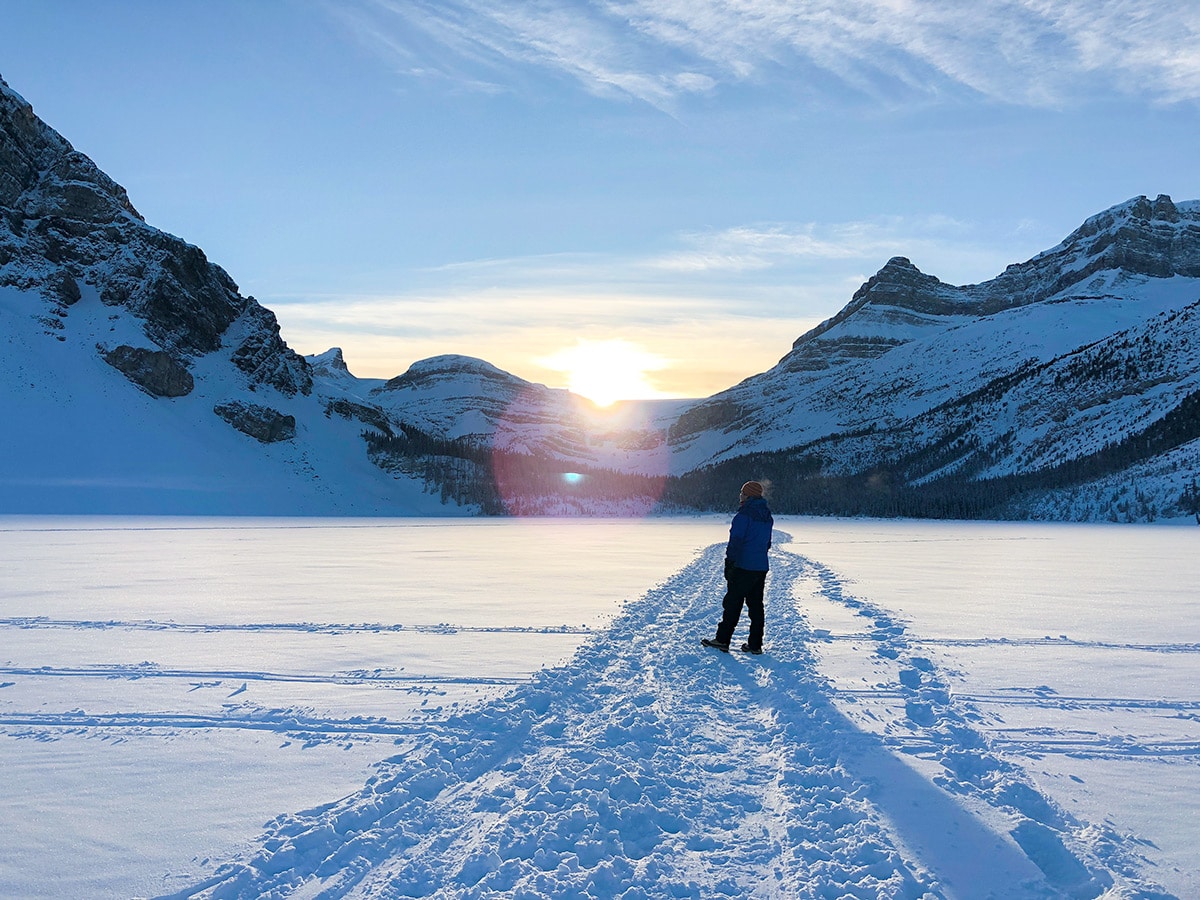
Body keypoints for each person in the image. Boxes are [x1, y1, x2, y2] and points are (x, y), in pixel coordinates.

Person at [702, 480, 773, 654]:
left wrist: (730, 563)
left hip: (743, 566)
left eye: (742, 492)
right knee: (756, 606)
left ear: (748, 495)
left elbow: (736, 541)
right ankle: (755, 645)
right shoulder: (767, 516)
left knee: (733, 603)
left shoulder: (744, 515)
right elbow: (767, 543)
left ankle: (722, 640)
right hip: (761, 567)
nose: (740, 495)